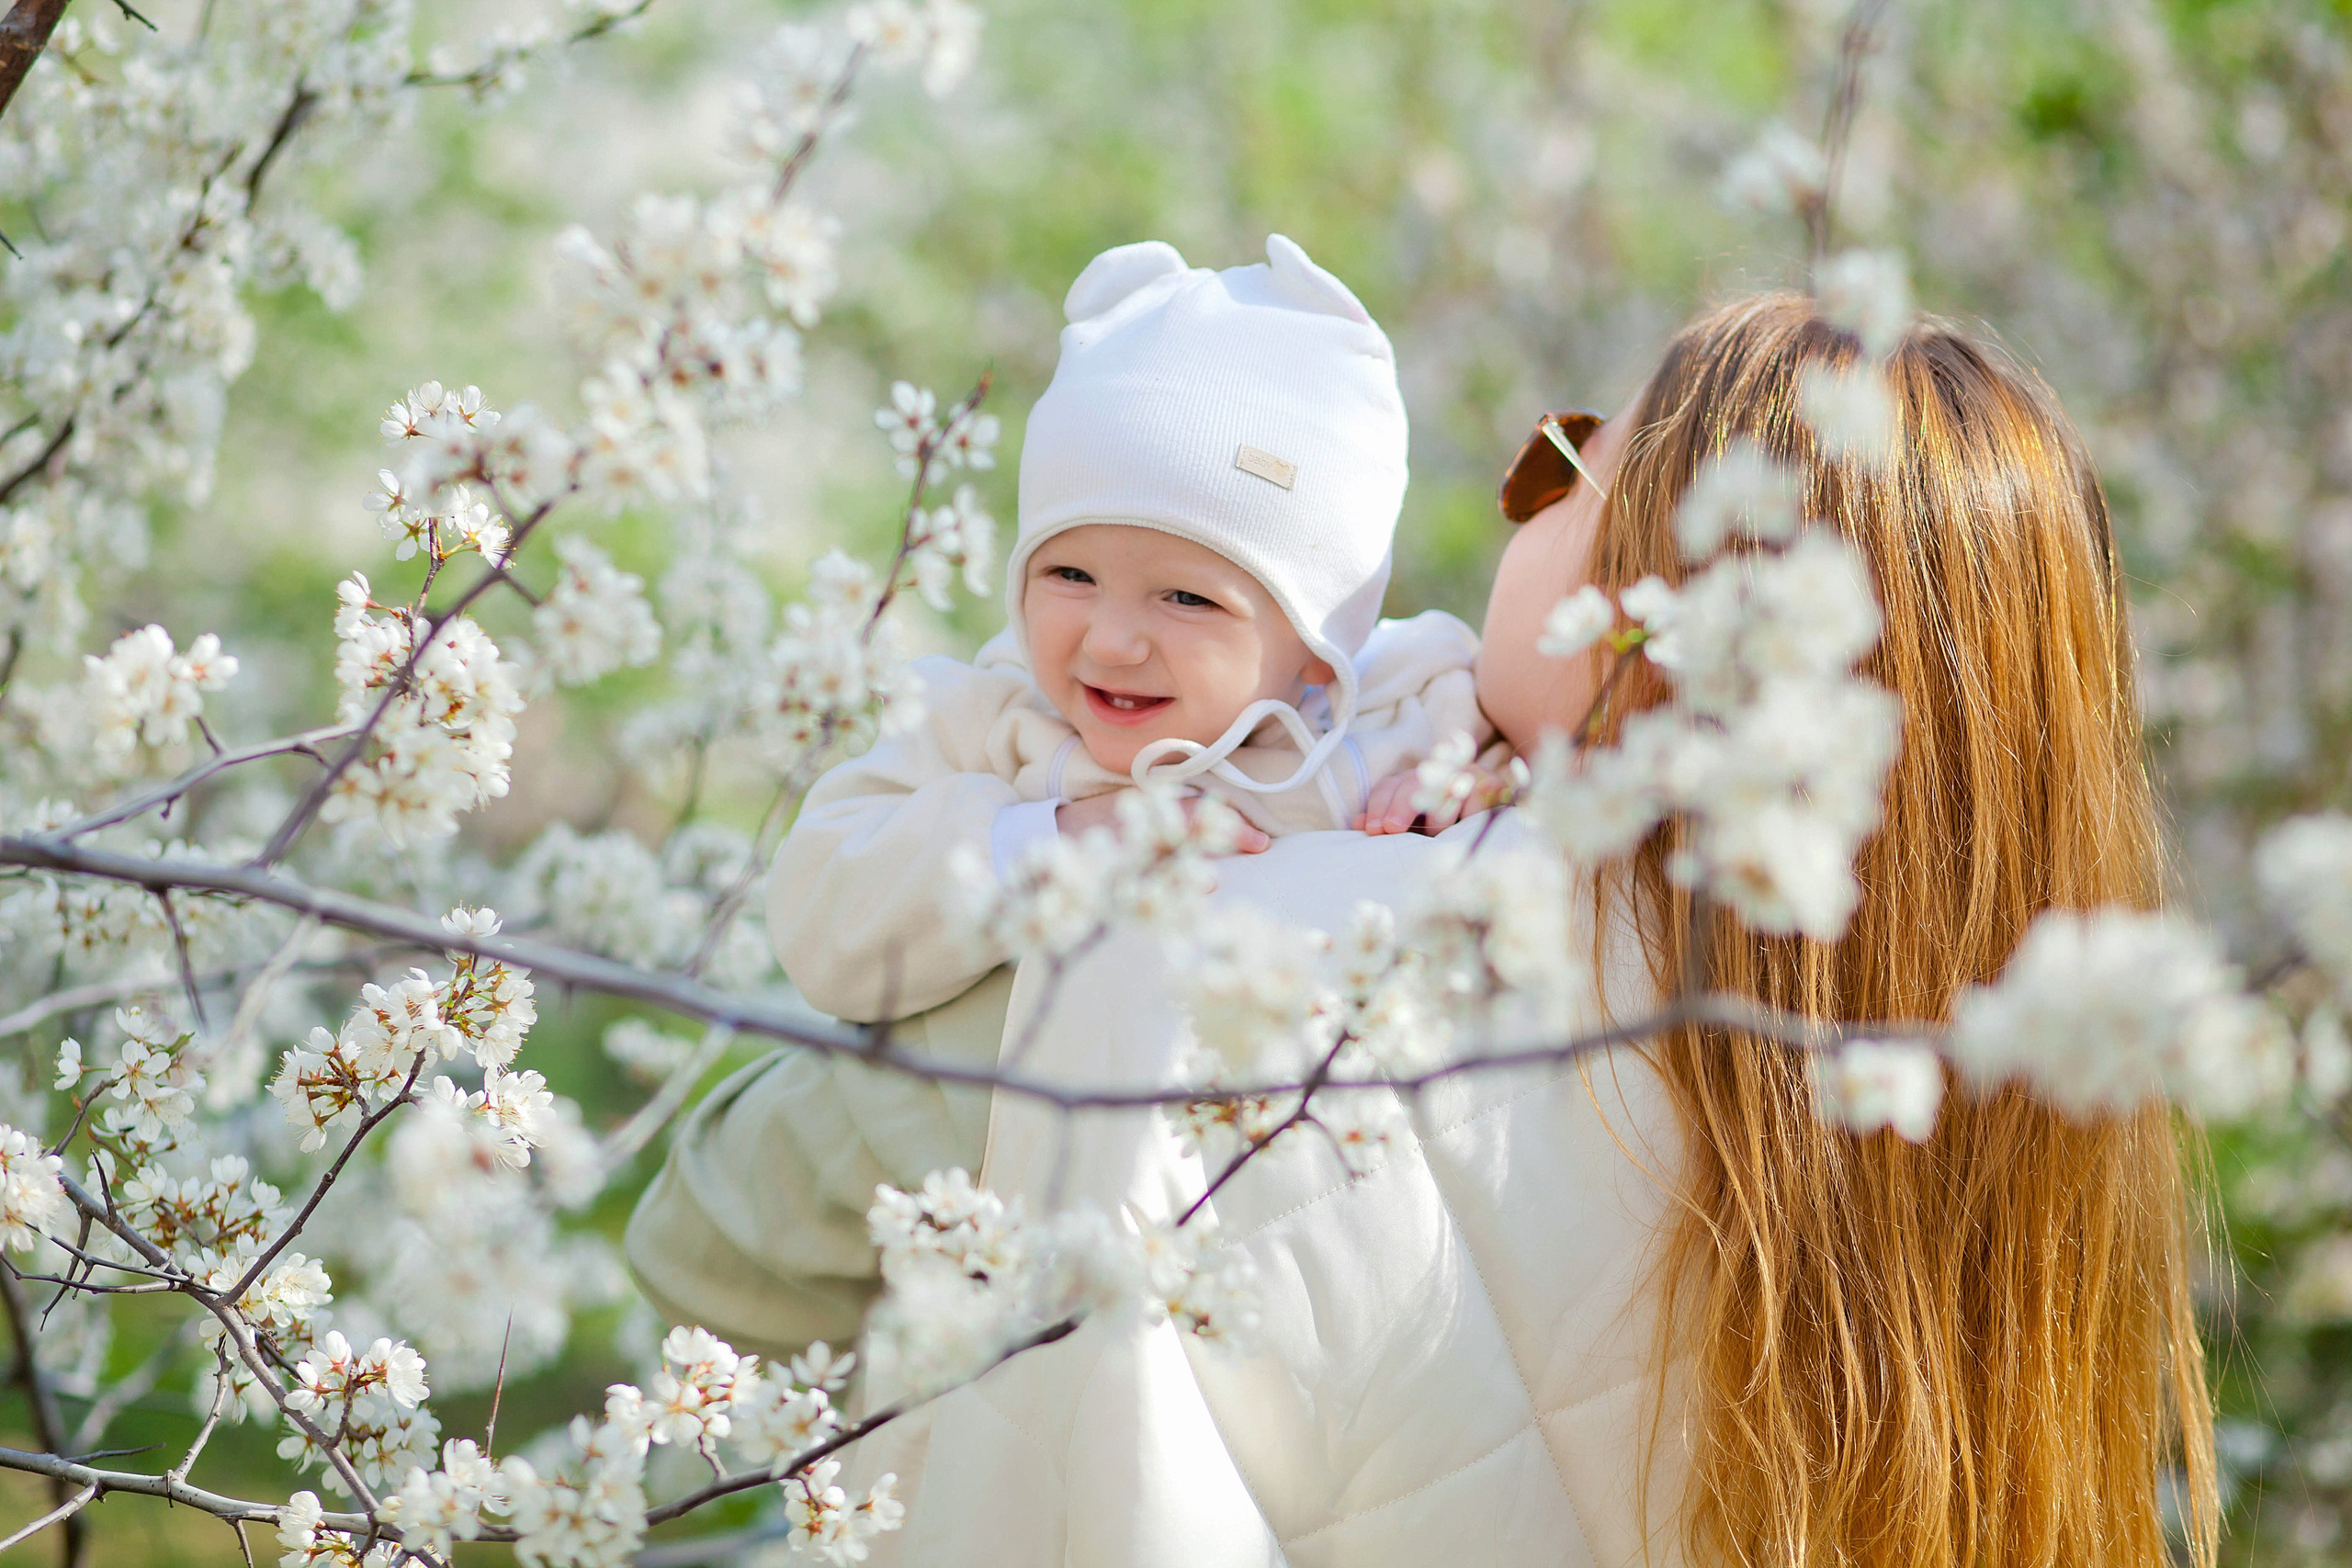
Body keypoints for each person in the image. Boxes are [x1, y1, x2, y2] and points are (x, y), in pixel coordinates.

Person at [629, 290, 2218, 1566]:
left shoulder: (1242, 944)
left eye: (1557, 467)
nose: (1514, 511)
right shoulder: (1979, 1154)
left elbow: (714, 1233)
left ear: (1659, 602)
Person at [768, 233, 1490, 1024]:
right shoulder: (988, 724)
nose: (1111, 643)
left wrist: (1462, 785)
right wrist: (1058, 837)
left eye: (1186, 598)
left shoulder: (1401, 706)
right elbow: (820, 915)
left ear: (1321, 649)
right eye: (1069, 575)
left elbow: (1544, 769)